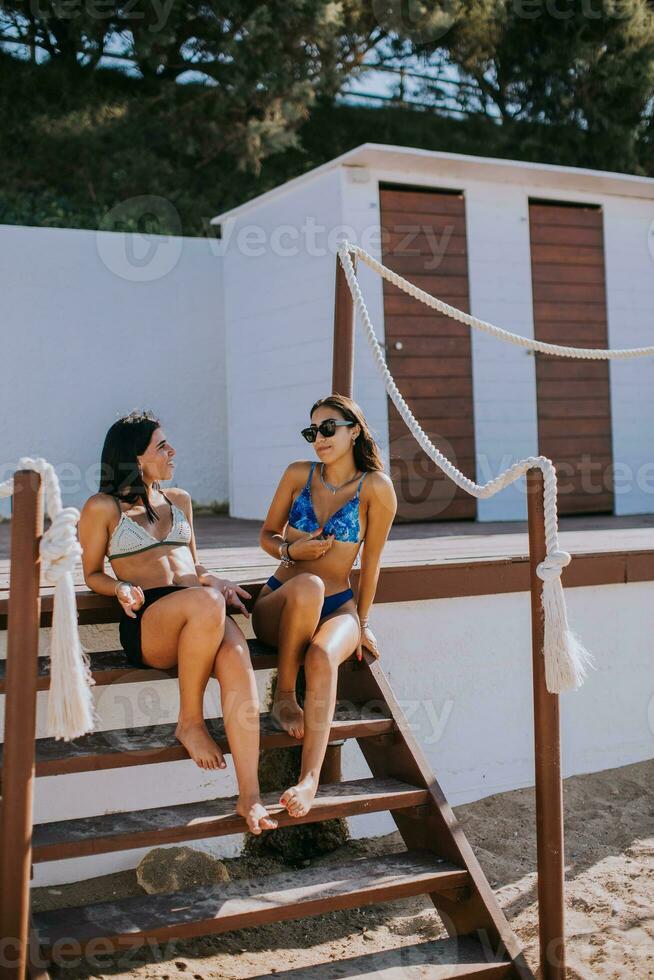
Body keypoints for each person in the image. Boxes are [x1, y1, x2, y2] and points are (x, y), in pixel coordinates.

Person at [78, 409, 278, 835]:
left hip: (199, 605)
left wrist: (216, 579)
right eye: (161, 446)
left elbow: (195, 565)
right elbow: (92, 572)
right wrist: (118, 589)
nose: (173, 451)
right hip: (151, 620)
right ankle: (190, 720)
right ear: (134, 458)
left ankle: (251, 797)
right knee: (208, 604)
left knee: (240, 666)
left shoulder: (179, 500)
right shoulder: (103, 507)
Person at [251, 393, 397, 818]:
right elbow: (266, 535)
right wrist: (293, 554)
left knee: (322, 654)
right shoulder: (299, 475)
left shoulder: (376, 488)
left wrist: (363, 621)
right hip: (280, 601)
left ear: (355, 431)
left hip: (339, 604)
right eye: (312, 431)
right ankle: (284, 695)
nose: (319, 438)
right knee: (309, 585)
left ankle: (309, 779)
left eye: (329, 428)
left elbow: (371, 565)